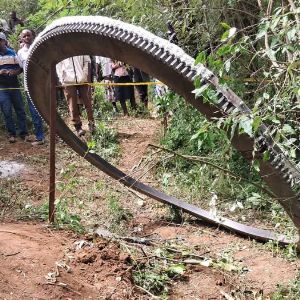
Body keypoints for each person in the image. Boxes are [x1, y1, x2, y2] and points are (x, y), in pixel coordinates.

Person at [18, 29, 45, 145]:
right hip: (28, 86)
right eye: (24, 36)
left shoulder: (39, 48)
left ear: (33, 36)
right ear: (22, 38)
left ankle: (56, 133)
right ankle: (40, 137)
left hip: (42, 84)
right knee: (34, 112)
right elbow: (21, 67)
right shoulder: (20, 53)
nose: (27, 37)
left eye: (29, 35)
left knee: (46, 109)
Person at [56, 55, 95, 136]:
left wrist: (84, 75)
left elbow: (87, 60)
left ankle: (91, 123)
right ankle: (78, 127)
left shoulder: (80, 45)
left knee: (88, 101)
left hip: (82, 79)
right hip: (68, 81)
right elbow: (58, 64)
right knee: (72, 104)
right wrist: (62, 78)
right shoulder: (61, 48)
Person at [0, 32, 28, 143]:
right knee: (6, 111)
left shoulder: (12, 53)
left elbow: (20, 68)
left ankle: (24, 133)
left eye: (0, 40)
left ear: (4, 41)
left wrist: (14, 72)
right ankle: (11, 134)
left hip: (14, 86)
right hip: (2, 88)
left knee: (20, 109)